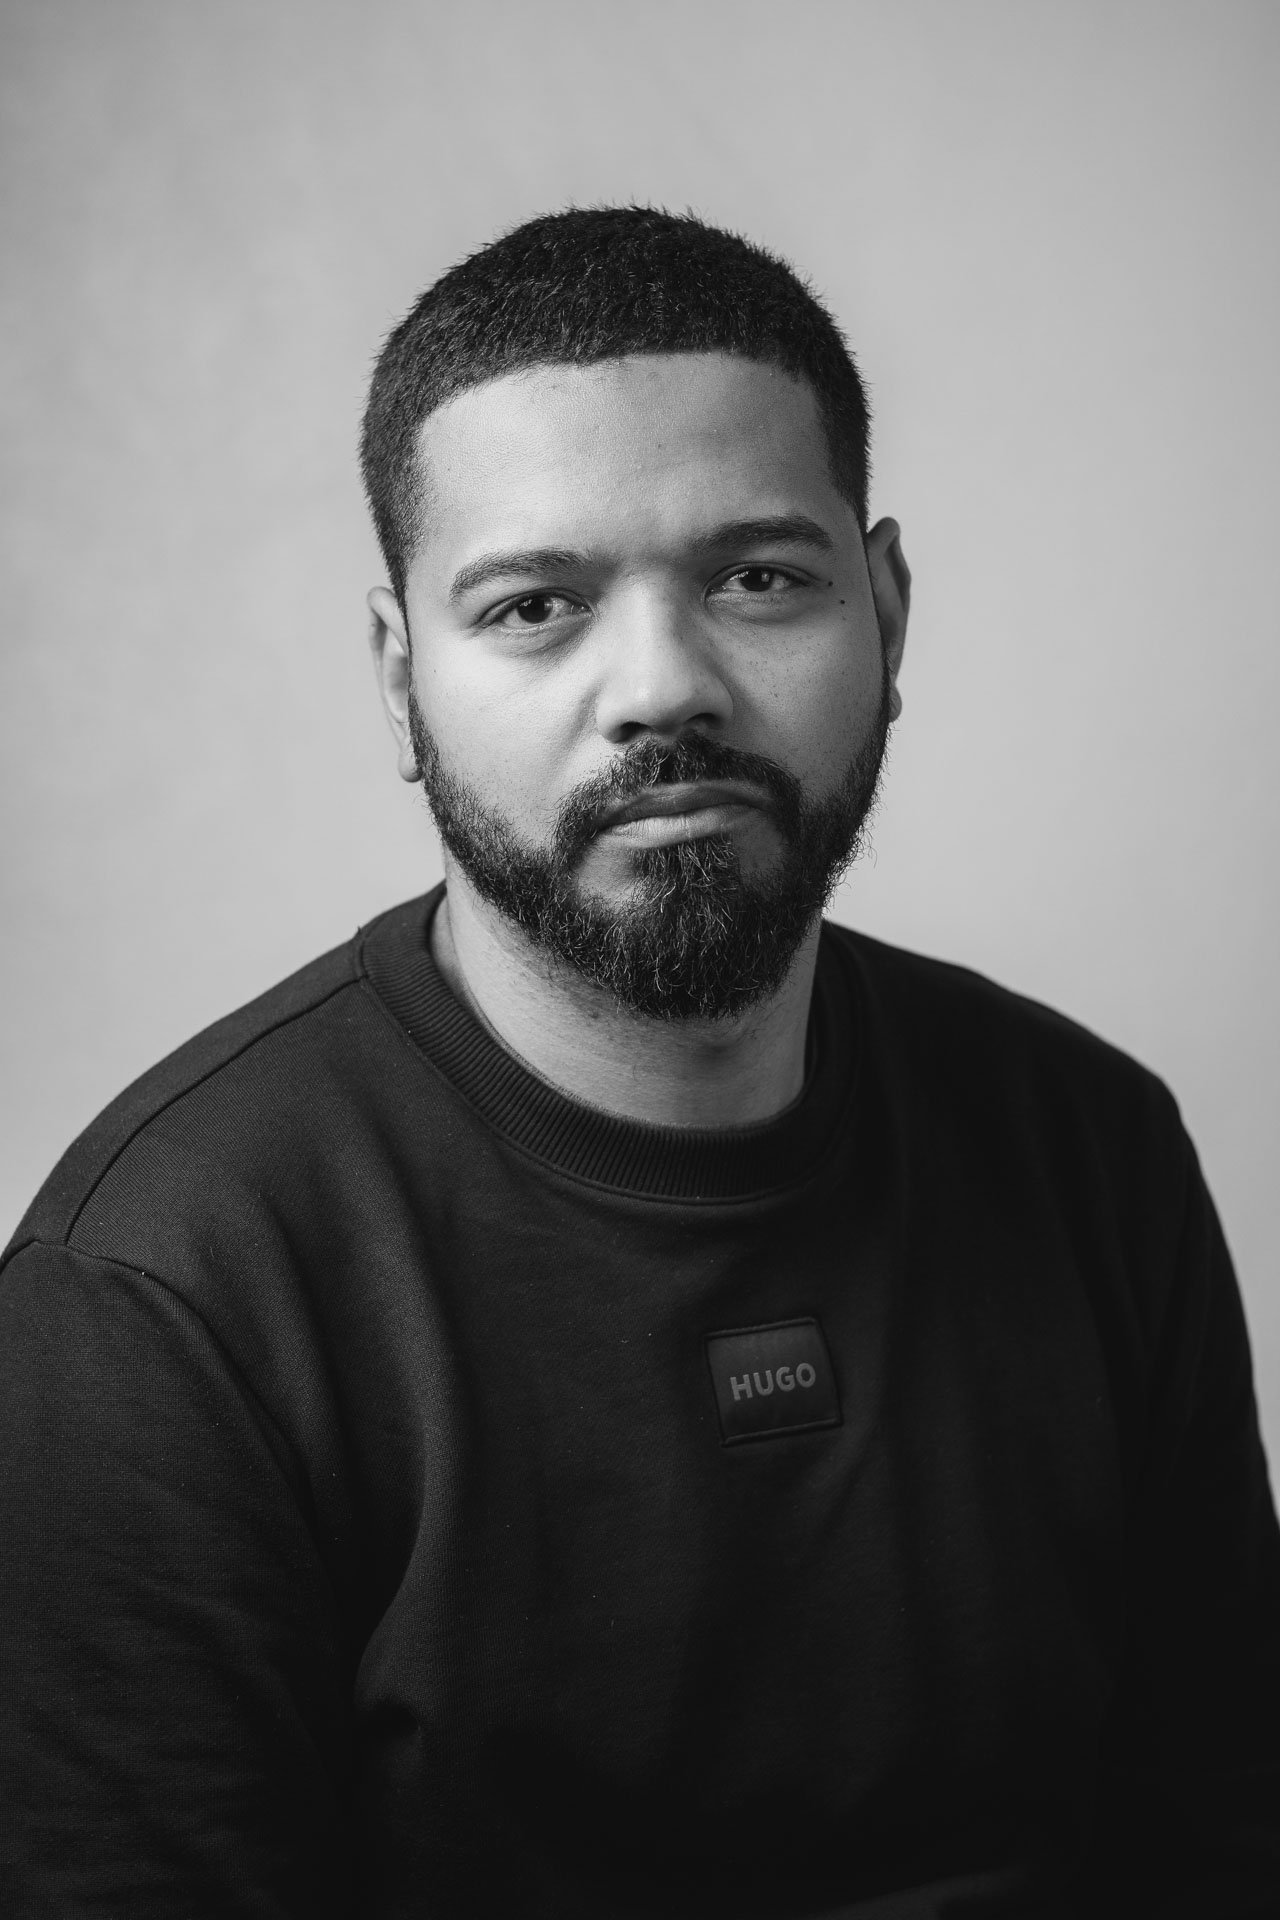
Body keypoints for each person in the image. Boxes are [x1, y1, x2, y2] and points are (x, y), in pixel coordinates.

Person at [1, 206, 1276, 1920]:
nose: (663, 688)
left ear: (886, 612)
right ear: (401, 682)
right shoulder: (161, 1302)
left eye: (759, 578)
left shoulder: (1088, 1144)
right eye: (535, 605)